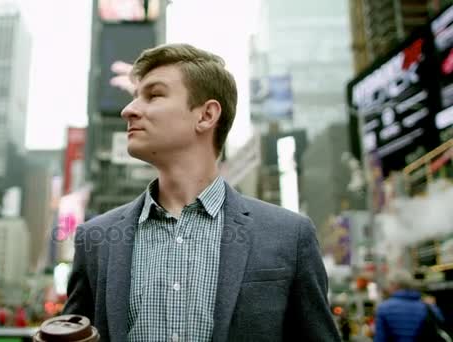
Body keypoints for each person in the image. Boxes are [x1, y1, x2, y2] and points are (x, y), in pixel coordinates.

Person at [63, 43, 340, 341]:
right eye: (134, 97)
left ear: (206, 115)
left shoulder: (289, 235)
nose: (128, 110)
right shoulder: (95, 239)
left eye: (154, 95)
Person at [374, 269, 446, 342]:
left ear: (394, 285)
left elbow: (380, 339)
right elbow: (441, 326)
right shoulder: (428, 306)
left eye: (389, 284)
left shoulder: (384, 308)